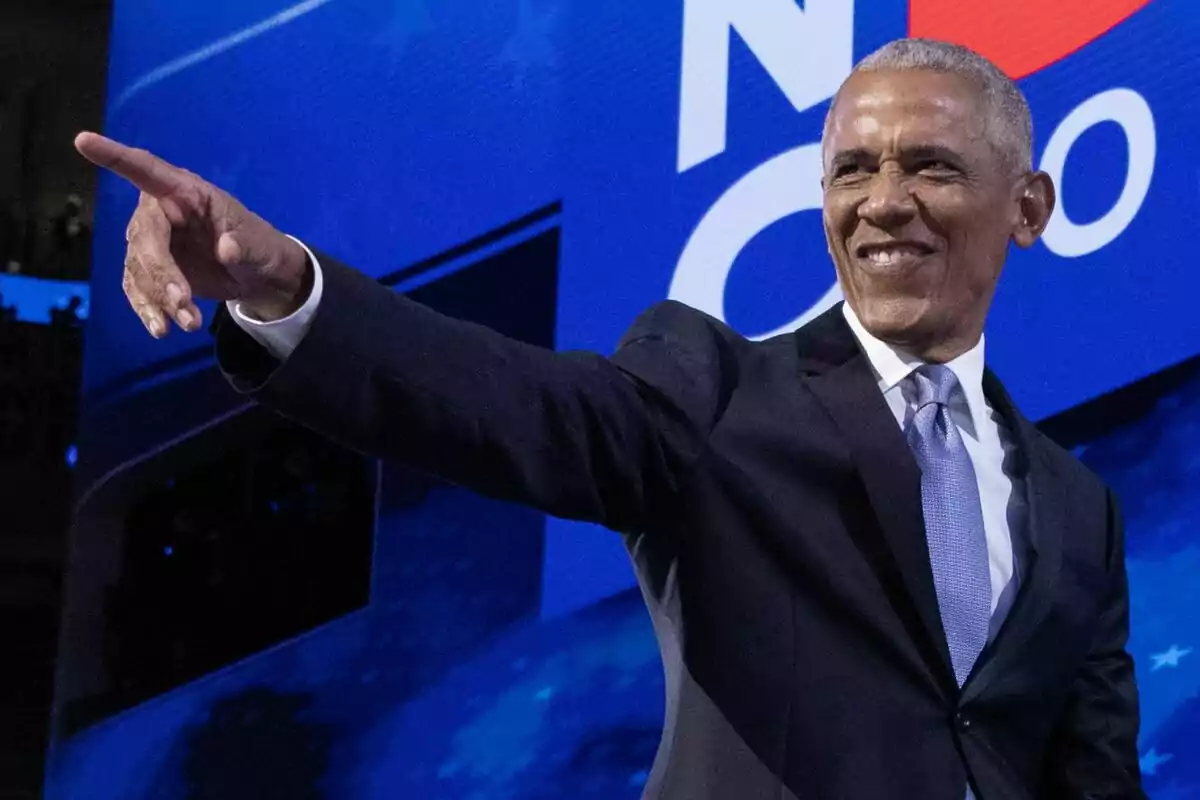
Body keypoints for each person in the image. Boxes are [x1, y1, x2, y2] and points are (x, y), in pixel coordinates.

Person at [76, 38, 1144, 800]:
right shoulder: (712, 385)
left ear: (1029, 207)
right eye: (852, 169)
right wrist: (284, 286)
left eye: (932, 166)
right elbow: (519, 408)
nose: (883, 200)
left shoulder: (1075, 506)